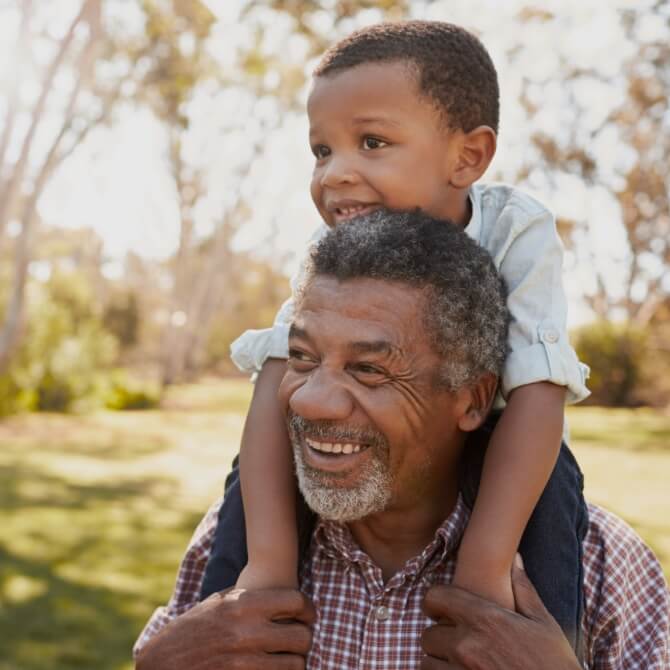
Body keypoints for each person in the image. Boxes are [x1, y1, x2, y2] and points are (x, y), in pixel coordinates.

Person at [134, 212, 670, 669]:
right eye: (301, 358)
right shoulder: (234, 540)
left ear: (472, 399)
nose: (308, 401)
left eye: (368, 369)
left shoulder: (598, 564)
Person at [202, 20, 591, 650]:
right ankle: (222, 641)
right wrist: (267, 563)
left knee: (553, 501)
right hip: (371, 451)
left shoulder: (516, 230)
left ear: (467, 156)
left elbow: (540, 389)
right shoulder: (331, 251)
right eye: (322, 150)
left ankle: (538, 646)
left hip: (504, 439)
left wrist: (484, 567)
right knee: (248, 483)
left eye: (372, 142)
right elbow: (278, 372)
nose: (334, 175)